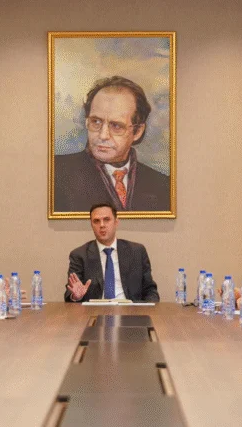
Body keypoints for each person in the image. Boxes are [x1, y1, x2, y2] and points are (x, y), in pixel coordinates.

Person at [54, 76, 170, 213]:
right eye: (96, 122)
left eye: (116, 126)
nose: (103, 135)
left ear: (138, 131)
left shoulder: (162, 185)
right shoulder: (56, 172)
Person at [65, 203, 159, 302]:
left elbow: (150, 290)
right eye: (96, 221)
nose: (102, 225)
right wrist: (75, 296)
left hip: (130, 309)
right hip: (94, 309)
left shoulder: (137, 252)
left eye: (106, 219)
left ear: (116, 222)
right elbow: (70, 292)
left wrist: (148, 308)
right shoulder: (79, 255)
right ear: (91, 225)